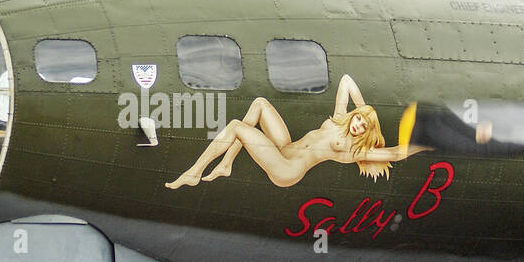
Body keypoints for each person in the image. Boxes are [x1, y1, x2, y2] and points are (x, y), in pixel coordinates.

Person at [165, 74, 427, 189]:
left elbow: (393, 154)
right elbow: (346, 81)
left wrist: (426, 143)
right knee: (259, 104)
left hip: (288, 169)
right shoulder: (338, 119)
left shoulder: (354, 150)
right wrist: (367, 110)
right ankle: (226, 164)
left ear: (365, 133)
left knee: (236, 127)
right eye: (358, 119)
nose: (358, 124)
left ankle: (194, 172)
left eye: (363, 126)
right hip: (284, 148)